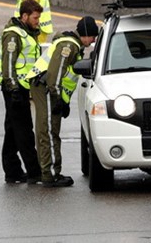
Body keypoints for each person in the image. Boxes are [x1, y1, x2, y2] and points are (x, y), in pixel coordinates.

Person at [27, 16, 99, 187]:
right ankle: (50, 175)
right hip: (47, 88)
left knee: (48, 130)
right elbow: (56, 74)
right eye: (93, 36)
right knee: (48, 130)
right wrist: (57, 97)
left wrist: (63, 102)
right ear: (86, 34)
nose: (94, 40)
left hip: (46, 88)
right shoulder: (69, 46)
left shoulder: (73, 46)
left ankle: (49, 170)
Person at [0, 0, 43, 184]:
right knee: (24, 131)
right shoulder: (14, 35)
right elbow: (8, 65)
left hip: (21, 87)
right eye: (35, 17)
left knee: (12, 130)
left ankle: (12, 171)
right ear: (24, 16)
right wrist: (14, 88)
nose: (38, 21)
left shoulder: (27, 33)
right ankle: (34, 172)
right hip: (14, 88)